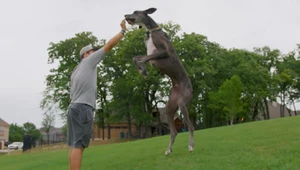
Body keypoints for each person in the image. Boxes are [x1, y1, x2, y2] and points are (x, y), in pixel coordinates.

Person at [67, 19, 127, 170]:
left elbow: (71, 95)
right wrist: (122, 32)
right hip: (83, 108)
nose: (95, 53)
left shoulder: (75, 72)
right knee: (79, 146)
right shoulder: (89, 61)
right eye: (92, 51)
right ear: (86, 55)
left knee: (75, 145)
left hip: (73, 109)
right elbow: (108, 46)